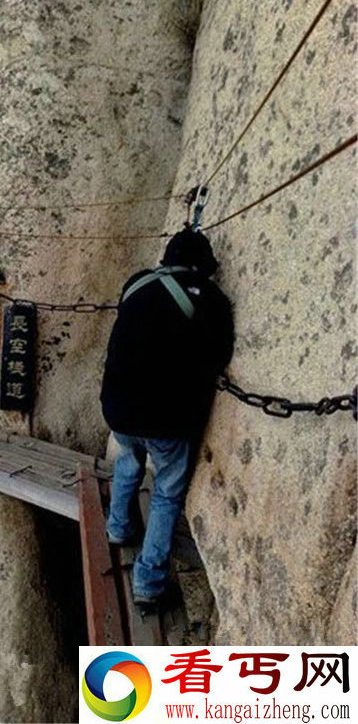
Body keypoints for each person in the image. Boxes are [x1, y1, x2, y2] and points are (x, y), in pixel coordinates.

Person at [100, 226, 234, 605]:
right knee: (166, 494)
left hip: (118, 408)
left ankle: (118, 528)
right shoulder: (210, 298)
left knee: (128, 464)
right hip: (166, 419)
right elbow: (219, 355)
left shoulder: (137, 283)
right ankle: (148, 583)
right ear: (201, 266)